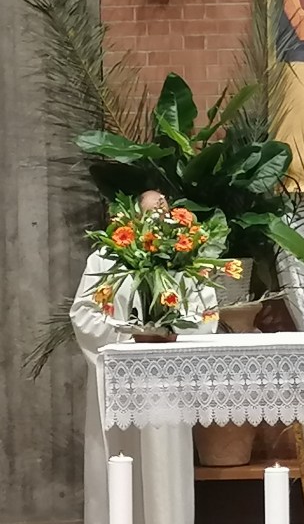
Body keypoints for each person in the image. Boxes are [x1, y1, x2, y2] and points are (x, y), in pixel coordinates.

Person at [70, 190, 218, 524]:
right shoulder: (105, 259)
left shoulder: (186, 258)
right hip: (120, 379)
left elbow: (206, 314)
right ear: (133, 218)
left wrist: (173, 331)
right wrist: (128, 335)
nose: (159, 217)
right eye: (152, 212)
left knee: (166, 466)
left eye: (164, 211)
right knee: (118, 460)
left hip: (168, 382)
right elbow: (83, 314)